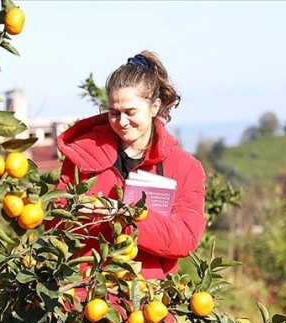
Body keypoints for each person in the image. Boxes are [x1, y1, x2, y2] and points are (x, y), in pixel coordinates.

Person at [55, 51, 207, 281]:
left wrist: (127, 215)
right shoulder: (82, 155)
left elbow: (184, 239)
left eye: (130, 112)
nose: (122, 122)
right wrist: (75, 212)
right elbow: (54, 221)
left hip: (147, 302)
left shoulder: (186, 168)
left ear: (154, 107)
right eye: (114, 113)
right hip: (84, 298)